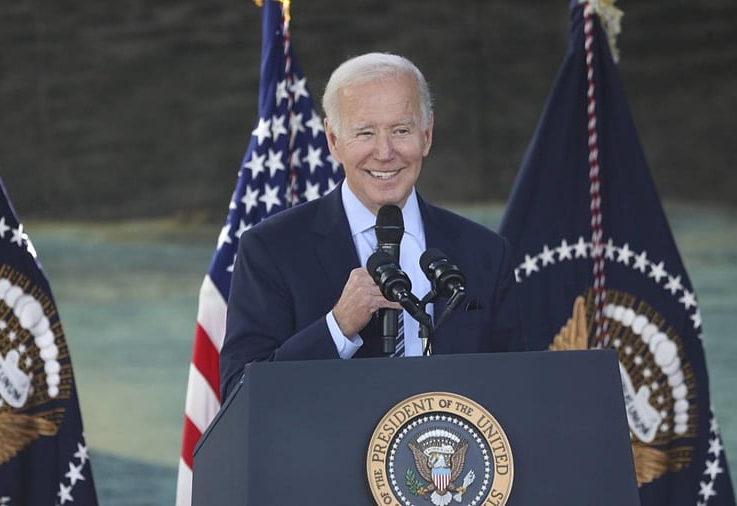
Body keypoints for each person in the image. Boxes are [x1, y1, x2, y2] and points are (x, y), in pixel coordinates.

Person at [218, 52, 525, 401]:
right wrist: (338, 326)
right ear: (333, 140)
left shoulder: (485, 252)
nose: (384, 152)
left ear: (427, 135)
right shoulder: (271, 248)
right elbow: (239, 396)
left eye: (401, 130)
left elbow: (515, 390)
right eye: (364, 133)